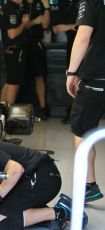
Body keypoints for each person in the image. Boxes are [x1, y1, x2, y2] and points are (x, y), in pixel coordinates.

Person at [0, 140, 88, 229]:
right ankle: (51, 215)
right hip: (31, 178)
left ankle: (61, 211)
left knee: (2, 221)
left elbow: (16, 170)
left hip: (43, 176)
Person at [66, 0, 105, 203]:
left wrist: (72, 72)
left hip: (97, 79)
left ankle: (89, 185)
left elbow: (83, 37)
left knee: (82, 131)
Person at [50, 0, 79, 124]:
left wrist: (67, 26)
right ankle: (75, 110)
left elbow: (89, 27)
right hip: (71, 45)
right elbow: (56, 26)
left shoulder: (86, 3)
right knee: (73, 79)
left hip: (85, 46)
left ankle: (78, 111)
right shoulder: (66, 4)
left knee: (78, 78)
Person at [0, 0, 30, 104]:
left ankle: (2, 112)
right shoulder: (11, 9)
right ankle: (7, 114)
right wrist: (24, 23)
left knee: (10, 81)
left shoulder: (15, 7)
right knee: (14, 83)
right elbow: (12, 34)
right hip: (15, 50)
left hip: (13, 49)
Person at [25, 0, 50, 120]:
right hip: (21, 44)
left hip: (36, 43)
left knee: (39, 76)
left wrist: (46, 7)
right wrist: (34, 21)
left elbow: (45, 25)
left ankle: (42, 108)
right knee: (18, 79)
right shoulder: (20, 3)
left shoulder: (39, 3)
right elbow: (20, 27)